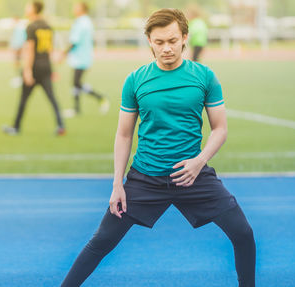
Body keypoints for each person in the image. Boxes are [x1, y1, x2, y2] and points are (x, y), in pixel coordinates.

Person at [61, 8, 255, 287]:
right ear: (149, 41)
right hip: (145, 179)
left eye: (173, 41)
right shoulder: (136, 80)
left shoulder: (205, 76)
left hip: (194, 176)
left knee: (243, 233)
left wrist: (199, 161)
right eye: (159, 42)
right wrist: (118, 184)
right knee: (101, 241)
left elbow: (220, 129)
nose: (166, 48)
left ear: (185, 38)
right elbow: (124, 135)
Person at [3, 1, 65, 136]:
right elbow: (50, 49)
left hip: (35, 67)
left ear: (34, 9)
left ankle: (16, 127)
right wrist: (52, 69)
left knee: (23, 99)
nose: (26, 8)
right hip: (46, 66)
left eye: (28, 6)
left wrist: (27, 70)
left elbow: (30, 50)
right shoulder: (48, 26)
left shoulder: (31, 26)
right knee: (52, 98)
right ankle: (61, 125)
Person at [62, 2, 109, 117]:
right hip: (83, 57)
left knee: (76, 83)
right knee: (76, 83)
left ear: (82, 9)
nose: (74, 9)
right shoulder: (86, 22)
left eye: (76, 7)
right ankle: (77, 109)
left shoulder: (81, 22)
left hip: (80, 58)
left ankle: (100, 97)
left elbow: (74, 41)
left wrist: (63, 54)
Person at [9, 16, 27, 88]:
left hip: (19, 47)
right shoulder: (18, 27)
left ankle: (20, 77)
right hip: (17, 47)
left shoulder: (20, 28)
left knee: (18, 62)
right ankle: (19, 76)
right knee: (17, 62)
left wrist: (19, 48)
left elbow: (22, 38)